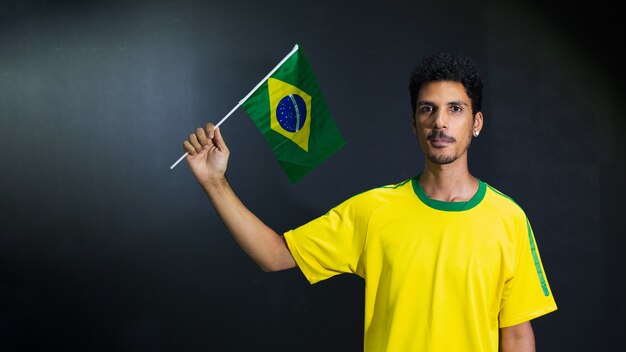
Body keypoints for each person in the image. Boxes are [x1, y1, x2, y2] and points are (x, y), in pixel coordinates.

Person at [182, 52, 557, 351]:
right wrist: (216, 182)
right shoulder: (373, 210)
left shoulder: (508, 218)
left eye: (455, 109)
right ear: (414, 124)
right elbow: (273, 255)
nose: (439, 122)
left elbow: (517, 334)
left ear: (476, 123)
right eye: (427, 109)